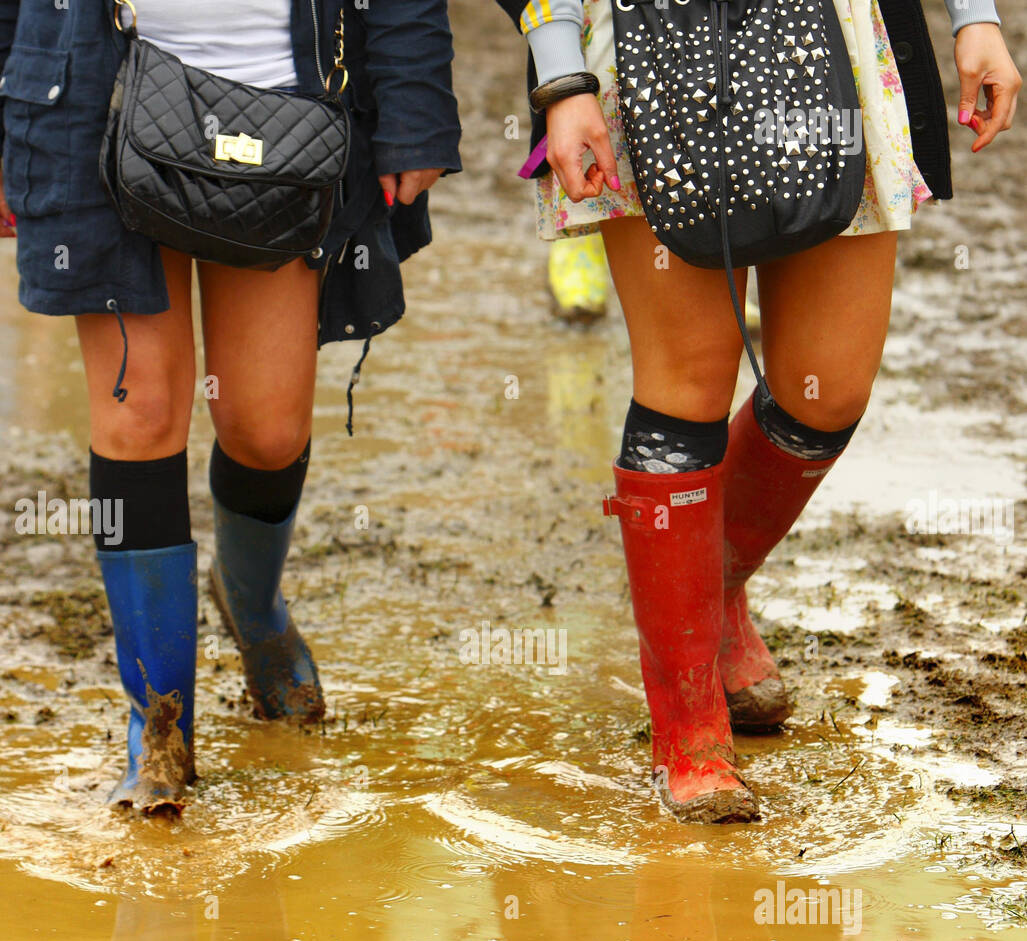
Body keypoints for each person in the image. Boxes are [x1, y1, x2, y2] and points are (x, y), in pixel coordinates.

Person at [499, 0, 1019, 823]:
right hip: (646, 49)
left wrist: (974, 17)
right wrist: (562, 77)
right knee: (686, 380)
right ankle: (689, 727)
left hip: (838, 40)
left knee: (828, 391)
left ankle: (712, 589)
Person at [0, 0, 461, 814]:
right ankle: (159, 729)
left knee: (267, 430)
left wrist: (416, 106)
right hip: (91, 102)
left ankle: (250, 603)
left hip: (282, 113)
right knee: (137, 415)